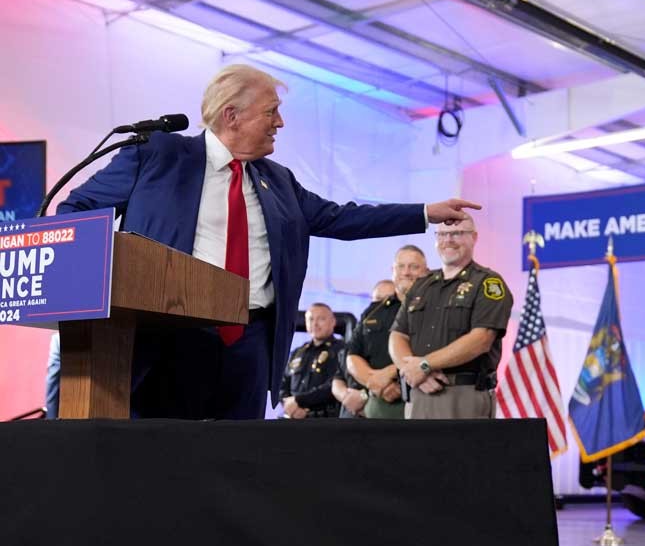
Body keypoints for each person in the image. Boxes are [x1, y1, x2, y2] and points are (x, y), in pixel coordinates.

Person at [56, 63, 479, 420]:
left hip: (250, 342)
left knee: (237, 463)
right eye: (272, 112)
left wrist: (424, 212)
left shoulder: (277, 180)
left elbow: (342, 217)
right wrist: (111, 279)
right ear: (231, 115)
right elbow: (79, 210)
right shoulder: (156, 155)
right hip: (171, 334)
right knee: (167, 458)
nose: (281, 122)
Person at [388, 214, 512, 420]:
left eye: (457, 233)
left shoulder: (488, 282)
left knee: (463, 453)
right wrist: (410, 371)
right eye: (443, 234)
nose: (448, 240)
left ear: (474, 237)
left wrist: (425, 365)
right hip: (419, 392)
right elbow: (398, 335)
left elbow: (481, 339)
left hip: (463, 394)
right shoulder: (422, 284)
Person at [347, 247, 429, 419]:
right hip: (378, 402)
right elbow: (353, 355)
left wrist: (389, 374)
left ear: (426, 272)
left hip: (421, 395)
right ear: (392, 270)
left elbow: (433, 349)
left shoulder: (434, 307)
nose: (406, 272)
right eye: (401, 266)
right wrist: (374, 382)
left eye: (414, 267)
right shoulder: (374, 310)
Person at [334, 279, 395, 419]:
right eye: (378, 299)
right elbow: (337, 378)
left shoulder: (397, 340)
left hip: (380, 411)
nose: (383, 306)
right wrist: (346, 396)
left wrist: (364, 395)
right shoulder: (357, 337)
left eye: (389, 300)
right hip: (349, 415)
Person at [280, 303, 345, 419]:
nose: (315, 324)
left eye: (321, 319)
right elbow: (283, 383)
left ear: (333, 322)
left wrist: (299, 401)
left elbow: (333, 385)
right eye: (310, 319)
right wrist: (289, 404)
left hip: (324, 420)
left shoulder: (341, 350)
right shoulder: (298, 352)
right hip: (292, 417)